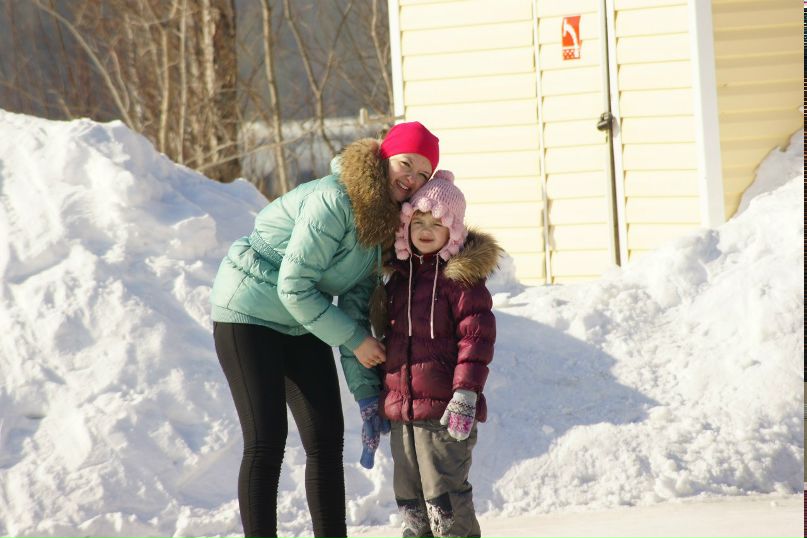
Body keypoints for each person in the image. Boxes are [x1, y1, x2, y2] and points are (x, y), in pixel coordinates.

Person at [210, 121, 439, 538]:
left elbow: (353, 308)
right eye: (407, 163)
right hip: (249, 312)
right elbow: (293, 285)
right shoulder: (333, 199)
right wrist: (355, 340)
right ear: (385, 157)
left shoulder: (381, 224)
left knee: (326, 439)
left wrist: (367, 393)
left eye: (423, 174)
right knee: (266, 441)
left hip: (301, 319)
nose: (411, 178)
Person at [378, 170, 500, 538]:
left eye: (438, 222)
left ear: (454, 231)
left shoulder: (460, 280)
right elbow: (389, 343)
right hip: (403, 411)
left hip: (446, 413)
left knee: (444, 502)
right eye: (418, 220)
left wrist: (466, 393)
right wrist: (378, 398)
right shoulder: (398, 278)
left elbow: (476, 339)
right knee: (411, 503)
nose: (426, 229)